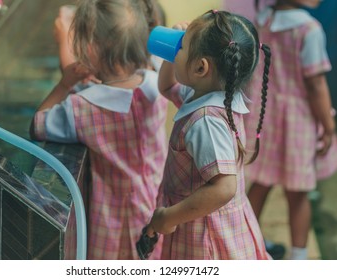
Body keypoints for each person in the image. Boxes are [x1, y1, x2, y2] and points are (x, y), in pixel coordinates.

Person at [30, 0, 168, 260]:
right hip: (158, 207)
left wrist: (65, 82)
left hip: (116, 224)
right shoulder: (157, 86)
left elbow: (37, 124)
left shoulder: (83, 108)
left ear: (90, 48)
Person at [144, 9, 272, 259]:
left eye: (181, 47)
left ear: (201, 67)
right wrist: (174, 54)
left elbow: (224, 187)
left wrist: (169, 216)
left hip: (207, 237)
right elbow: (167, 87)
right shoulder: (211, 95)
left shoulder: (206, 121)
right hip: (206, 224)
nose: (176, 48)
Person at [245, 0, 337, 260]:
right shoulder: (309, 29)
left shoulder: (262, 20)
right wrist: (328, 126)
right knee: (298, 194)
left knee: (260, 183)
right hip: (297, 121)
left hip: (265, 117)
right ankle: (298, 258)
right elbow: (316, 83)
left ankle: (247, 242)